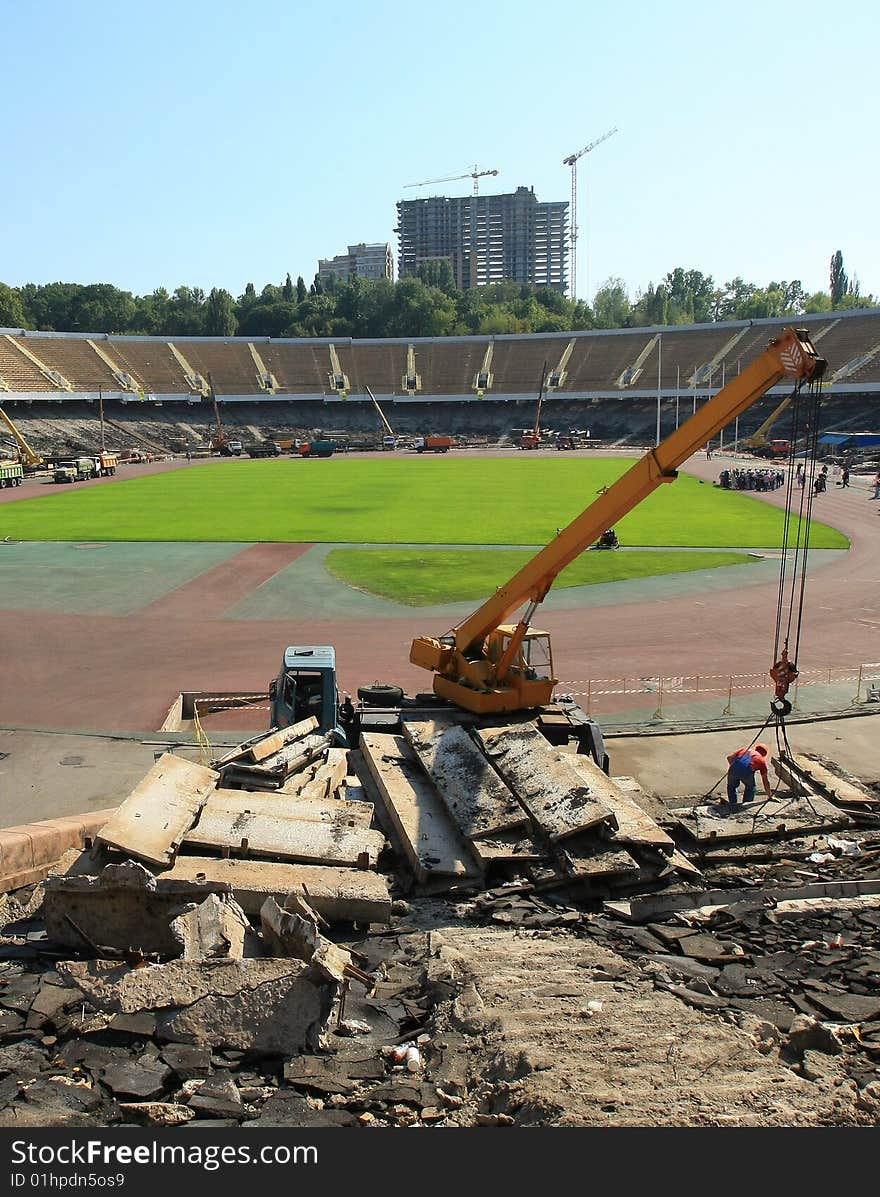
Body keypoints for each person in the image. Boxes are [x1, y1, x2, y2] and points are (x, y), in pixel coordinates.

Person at [722, 743, 772, 810]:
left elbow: (729, 758)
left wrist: (735, 768)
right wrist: (770, 796)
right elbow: (765, 781)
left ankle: (733, 804)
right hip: (746, 772)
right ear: (764, 754)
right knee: (751, 787)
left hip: (733, 768)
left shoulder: (745, 750)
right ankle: (746, 805)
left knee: (731, 786)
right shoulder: (762, 761)